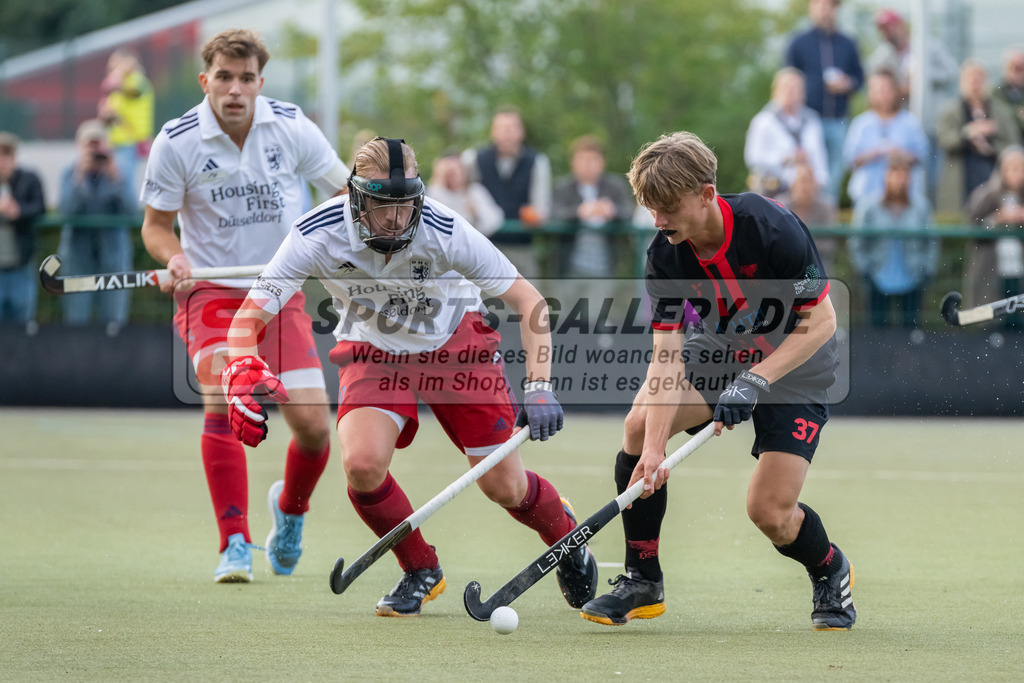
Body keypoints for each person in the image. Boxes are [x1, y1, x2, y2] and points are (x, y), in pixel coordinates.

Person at [221, 136, 599, 616]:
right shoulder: (315, 234)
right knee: (361, 464)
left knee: (504, 487)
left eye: (404, 206)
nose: (396, 219)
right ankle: (420, 567)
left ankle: (565, 534)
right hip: (375, 350)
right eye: (383, 206)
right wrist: (238, 371)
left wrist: (540, 386)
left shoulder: (443, 229)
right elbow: (246, 322)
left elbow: (530, 302)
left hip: (455, 344)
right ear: (356, 198)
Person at [580, 132, 854, 632]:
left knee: (769, 512)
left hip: (796, 363)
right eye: (651, 210)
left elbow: (822, 322)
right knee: (641, 428)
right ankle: (643, 579)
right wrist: (656, 451)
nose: (659, 222)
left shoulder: (771, 227)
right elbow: (666, 358)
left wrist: (754, 380)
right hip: (723, 350)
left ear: (706, 194)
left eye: (667, 208)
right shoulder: (665, 253)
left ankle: (830, 568)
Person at [139, 28, 352, 583]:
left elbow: (342, 193)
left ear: (260, 81)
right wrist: (176, 257)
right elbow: (156, 229)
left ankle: (291, 511)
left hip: (278, 290)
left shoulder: (290, 125)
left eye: (246, 78)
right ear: (205, 79)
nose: (235, 89)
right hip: (209, 294)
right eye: (224, 78)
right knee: (222, 400)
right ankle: (234, 542)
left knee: (312, 427)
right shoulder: (176, 141)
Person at [868, 8, 959, 203]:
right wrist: (899, 88)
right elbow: (876, 82)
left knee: (932, 174)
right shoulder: (882, 55)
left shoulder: (928, 46)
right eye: (883, 29)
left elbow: (951, 71)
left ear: (901, 25)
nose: (887, 32)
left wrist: (922, 79)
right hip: (902, 124)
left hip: (930, 122)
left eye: (890, 27)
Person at [57, 119, 137, 334]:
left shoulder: (119, 171)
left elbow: (132, 210)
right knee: (76, 321)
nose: (94, 151)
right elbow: (65, 210)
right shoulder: (69, 173)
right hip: (77, 257)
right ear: (79, 147)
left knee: (114, 324)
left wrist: (114, 175)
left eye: (98, 144)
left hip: (113, 258)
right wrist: (79, 177)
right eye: (89, 145)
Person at [848, 151, 938, 329]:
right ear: (886, 175)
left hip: (913, 276)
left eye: (905, 173)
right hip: (877, 276)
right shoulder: (868, 206)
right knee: (876, 333)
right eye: (895, 172)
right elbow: (857, 241)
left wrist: (927, 269)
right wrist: (865, 269)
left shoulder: (922, 207)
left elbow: (932, 241)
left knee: (911, 331)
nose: (900, 179)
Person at [784, 0, 864, 201]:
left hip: (838, 120)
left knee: (833, 179)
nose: (823, 9)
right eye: (818, 4)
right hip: (807, 122)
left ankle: (828, 222)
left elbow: (860, 79)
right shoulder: (799, 42)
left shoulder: (848, 43)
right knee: (806, 174)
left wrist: (848, 84)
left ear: (836, 9)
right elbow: (788, 77)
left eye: (828, 5)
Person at [462, 106, 552, 278]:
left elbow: (542, 208)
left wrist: (536, 215)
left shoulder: (537, 162)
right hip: (485, 248)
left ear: (521, 132)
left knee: (527, 300)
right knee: (484, 302)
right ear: (493, 132)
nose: (507, 134)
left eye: (511, 128)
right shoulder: (473, 158)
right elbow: (463, 197)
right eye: (502, 128)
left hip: (523, 248)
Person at [550, 135, 635, 307]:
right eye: (582, 159)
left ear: (602, 162)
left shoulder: (614, 186)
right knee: (565, 323)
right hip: (568, 269)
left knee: (593, 324)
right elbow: (553, 214)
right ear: (573, 162)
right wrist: (578, 212)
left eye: (593, 159)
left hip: (603, 268)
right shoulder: (562, 187)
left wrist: (612, 211)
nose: (588, 164)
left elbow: (629, 211)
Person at [936, 60, 1022, 216]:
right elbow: (944, 139)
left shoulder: (1001, 112)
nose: (974, 84)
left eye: (979, 78)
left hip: (993, 176)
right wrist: (968, 133)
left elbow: (1013, 146)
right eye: (970, 78)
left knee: (991, 217)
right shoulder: (951, 111)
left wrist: (991, 146)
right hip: (962, 177)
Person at [842, 69, 929, 207]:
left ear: (895, 91)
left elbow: (922, 155)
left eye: (886, 89)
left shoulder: (910, 122)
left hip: (905, 199)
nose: (883, 94)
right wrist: (874, 153)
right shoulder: (861, 123)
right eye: (878, 89)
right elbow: (849, 158)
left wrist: (899, 154)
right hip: (867, 195)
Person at [743, 67, 829, 198]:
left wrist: (819, 182)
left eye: (795, 88)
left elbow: (819, 157)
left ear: (803, 92)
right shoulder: (764, 121)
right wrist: (786, 159)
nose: (790, 91)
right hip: (773, 190)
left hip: (805, 193)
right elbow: (753, 157)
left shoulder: (812, 121)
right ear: (776, 90)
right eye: (786, 87)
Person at [964, 145, 1024, 324]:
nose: (1018, 173)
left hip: (1019, 272)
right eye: (1013, 168)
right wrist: (997, 219)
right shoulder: (985, 195)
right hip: (992, 271)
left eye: (1021, 168)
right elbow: (973, 229)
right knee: (994, 322)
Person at [0, 131, 46, 331]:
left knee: (22, 328)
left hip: (21, 267)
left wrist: (17, 211)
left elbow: (39, 207)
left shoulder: (28, 179)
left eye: (6, 155)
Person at [97, 48, 154, 189]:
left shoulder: (137, 81)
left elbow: (132, 92)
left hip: (131, 141)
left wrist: (118, 77)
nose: (110, 68)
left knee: (124, 183)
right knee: (116, 182)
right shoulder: (118, 91)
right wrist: (107, 116)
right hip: (117, 142)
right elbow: (110, 119)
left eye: (115, 64)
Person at [776, 162, 839, 272]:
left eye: (810, 181)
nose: (806, 186)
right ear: (793, 184)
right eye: (802, 181)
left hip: (819, 266)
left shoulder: (827, 207)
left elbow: (829, 243)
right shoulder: (780, 206)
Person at [426, 149, 503, 236]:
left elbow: (494, 220)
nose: (453, 176)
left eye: (457, 170)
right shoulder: (433, 193)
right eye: (450, 172)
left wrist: (477, 212)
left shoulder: (475, 192)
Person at [991, 47, 1024, 142]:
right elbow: (1000, 120)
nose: (1017, 72)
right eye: (1013, 67)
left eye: (1020, 67)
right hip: (1005, 143)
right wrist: (1017, 113)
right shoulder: (995, 92)